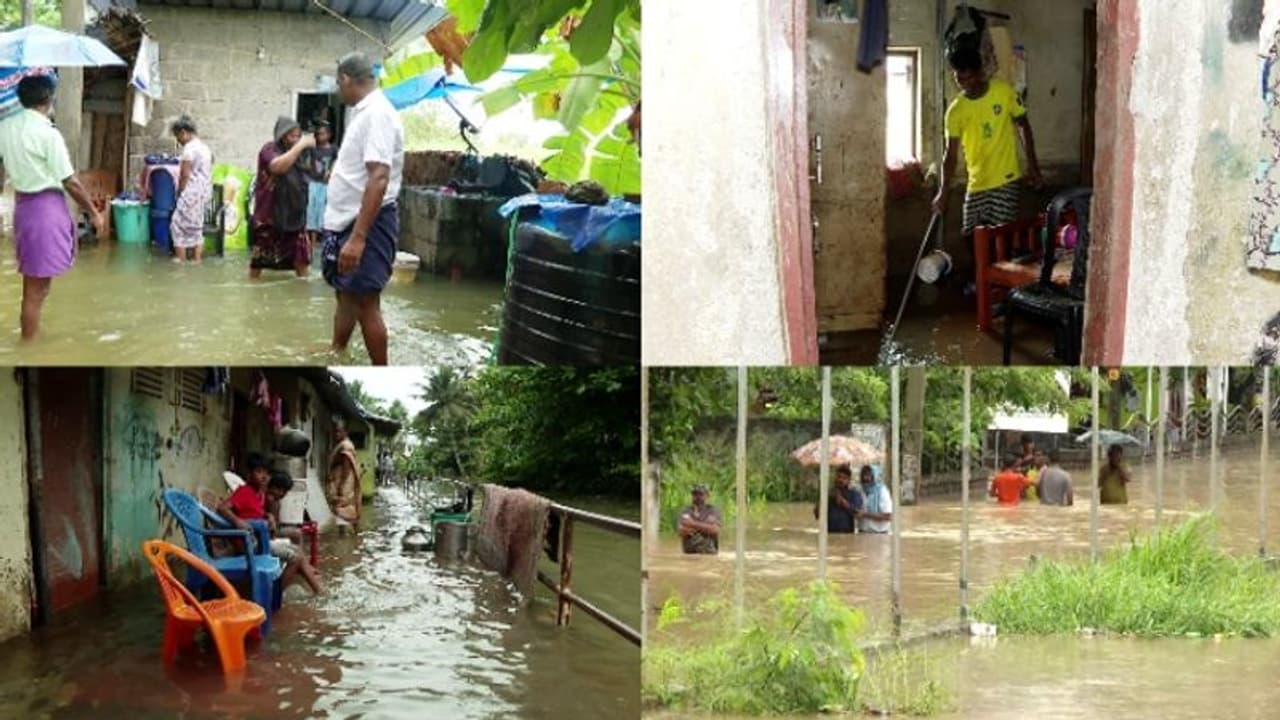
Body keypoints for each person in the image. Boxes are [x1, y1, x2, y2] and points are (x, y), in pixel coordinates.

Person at [0, 75, 106, 340]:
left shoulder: (6, 128)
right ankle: (29, 345)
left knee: (37, 286)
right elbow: (70, 182)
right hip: (44, 210)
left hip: (24, 208)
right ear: (48, 99)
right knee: (35, 291)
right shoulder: (48, 134)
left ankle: (32, 337)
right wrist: (94, 213)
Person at [932, 46, 1043, 293]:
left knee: (1000, 236)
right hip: (977, 182)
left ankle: (1002, 288)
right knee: (969, 234)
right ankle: (984, 279)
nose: (965, 84)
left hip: (1006, 177)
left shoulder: (1003, 92)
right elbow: (950, 155)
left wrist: (1033, 167)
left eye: (969, 77)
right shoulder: (956, 111)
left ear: (980, 73)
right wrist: (943, 191)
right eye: (959, 79)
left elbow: (1023, 126)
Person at [321, 52, 405, 366]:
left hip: (366, 223)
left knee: (366, 301)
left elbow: (379, 176)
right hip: (346, 221)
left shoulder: (377, 113)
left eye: (338, 84)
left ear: (345, 79)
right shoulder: (363, 113)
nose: (339, 90)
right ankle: (337, 350)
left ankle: (381, 369)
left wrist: (358, 238)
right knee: (345, 294)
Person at [251, 116, 313, 278]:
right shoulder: (269, 150)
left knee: (301, 259)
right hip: (270, 214)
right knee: (260, 260)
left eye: (299, 136)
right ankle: (253, 287)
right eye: (292, 136)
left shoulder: (301, 154)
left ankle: (303, 288)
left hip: (294, 214)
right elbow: (278, 167)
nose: (296, 139)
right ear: (282, 136)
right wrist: (300, 146)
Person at [265, 470, 323, 594]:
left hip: (272, 531)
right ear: (272, 486)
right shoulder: (270, 500)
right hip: (268, 534)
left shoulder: (275, 500)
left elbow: (276, 522)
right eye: (280, 490)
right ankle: (316, 585)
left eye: (284, 492)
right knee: (296, 538)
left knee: (297, 535)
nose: (282, 494)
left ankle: (307, 568)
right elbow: (272, 526)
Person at [169, 116, 213, 263]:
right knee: (196, 227)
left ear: (183, 132)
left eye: (177, 137)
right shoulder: (204, 148)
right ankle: (196, 261)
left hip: (192, 192)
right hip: (204, 192)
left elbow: (185, 175)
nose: (178, 141)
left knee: (176, 225)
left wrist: (179, 192)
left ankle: (181, 261)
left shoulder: (189, 149)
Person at [304, 122, 338, 247]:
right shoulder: (313, 148)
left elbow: (337, 161)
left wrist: (331, 171)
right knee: (311, 209)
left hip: (326, 184)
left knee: (323, 209)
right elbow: (307, 163)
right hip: (313, 182)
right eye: (318, 134)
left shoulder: (333, 149)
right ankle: (310, 241)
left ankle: (321, 239)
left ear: (329, 135)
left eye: (323, 134)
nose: (320, 136)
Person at [326, 427, 361, 526]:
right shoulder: (343, 444)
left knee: (342, 505)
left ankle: (345, 531)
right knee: (342, 506)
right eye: (336, 432)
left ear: (345, 432)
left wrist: (342, 483)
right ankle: (344, 530)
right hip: (341, 479)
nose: (336, 434)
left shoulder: (346, 446)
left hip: (343, 481)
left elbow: (347, 465)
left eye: (339, 432)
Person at [813, 465, 863, 534]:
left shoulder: (854, 494)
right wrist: (826, 499)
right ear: (835, 477)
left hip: (847, 534)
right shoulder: (828, 493)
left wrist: (842, 501)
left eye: (844, 478)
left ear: (849, 480)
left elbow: (857, 513)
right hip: (829, 534)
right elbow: (817, 515)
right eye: (839, 477)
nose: (840, 480)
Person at [677, 484, 722, 554]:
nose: (697, 497)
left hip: (709, 553)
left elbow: (715, 530)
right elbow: (681, 531)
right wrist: (706, 526)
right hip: (689, 553)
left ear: (707, 496)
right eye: (695, 494)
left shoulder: (712, 510)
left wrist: (692, 524)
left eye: (701, 494)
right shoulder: (686, 510)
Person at [857, 465, 893, 534]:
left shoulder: (882, 491)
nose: (865, 478)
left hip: (879, 534)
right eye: (863, 475)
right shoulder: (860, 490)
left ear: (875, 476)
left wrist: (865, 514)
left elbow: (888, 516)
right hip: (862, 532)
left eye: (868, 475)